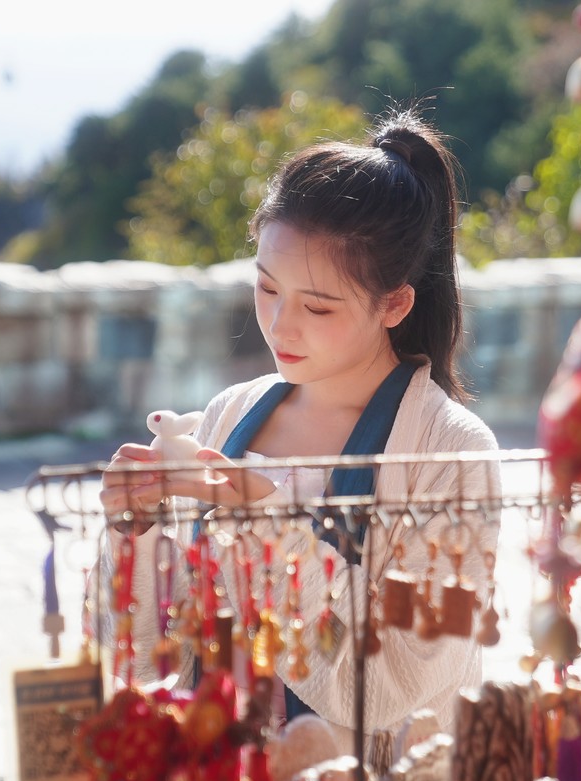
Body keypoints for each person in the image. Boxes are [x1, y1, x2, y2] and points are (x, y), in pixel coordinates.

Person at [99, 104, 501, 742]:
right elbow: (153, 650)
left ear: (395, 302)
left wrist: (271, 523)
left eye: (317, 306)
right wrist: (137, 532)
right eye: (266, 288)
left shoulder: (448, 451)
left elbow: (396, 681)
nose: (280, 326)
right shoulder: (231, 414)